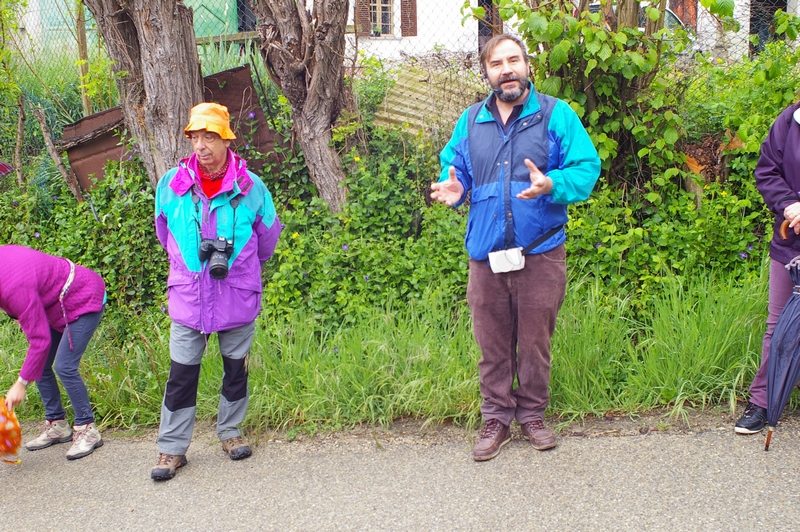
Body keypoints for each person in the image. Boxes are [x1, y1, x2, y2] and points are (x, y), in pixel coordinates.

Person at [431, 34, 600, 461]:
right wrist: (457, 186)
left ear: (527, 65)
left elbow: (587, 167)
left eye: (513, 60)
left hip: (541, 253)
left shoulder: (556, 116)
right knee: (491, 343)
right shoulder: (470, 121)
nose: (506, 69)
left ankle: (533, 415)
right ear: (486, 73)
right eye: (496, 63)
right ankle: (495, 418)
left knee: (535, 341)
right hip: (485, 255)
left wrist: (553, 183)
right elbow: (456, 167)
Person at [151, 102, 282, 480]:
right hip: (189, 295)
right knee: (181, 374)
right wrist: (190, 265)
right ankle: (172, 449)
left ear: (226, 139)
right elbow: (165, 234)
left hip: (236, 292)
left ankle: (230, 432)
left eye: (210, 136)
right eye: (196, 136)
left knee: (235, 370)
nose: (201, 145)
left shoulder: (251, 187)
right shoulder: (171, 185)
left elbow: (268, 240)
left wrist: (239, 262)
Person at [1, 244, 106, 460]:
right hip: (55, 306)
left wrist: (21, 384)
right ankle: (57, 424)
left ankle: (88, 428)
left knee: (64, 365)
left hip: (83, 297)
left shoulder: (14, 287)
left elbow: (40, 341)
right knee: (40, 364)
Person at [735, 101, 800, 434]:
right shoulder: (789, 120)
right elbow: (767, 171)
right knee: (778, 326)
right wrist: (791, 206)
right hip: (790, 243)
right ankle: (763, 402)